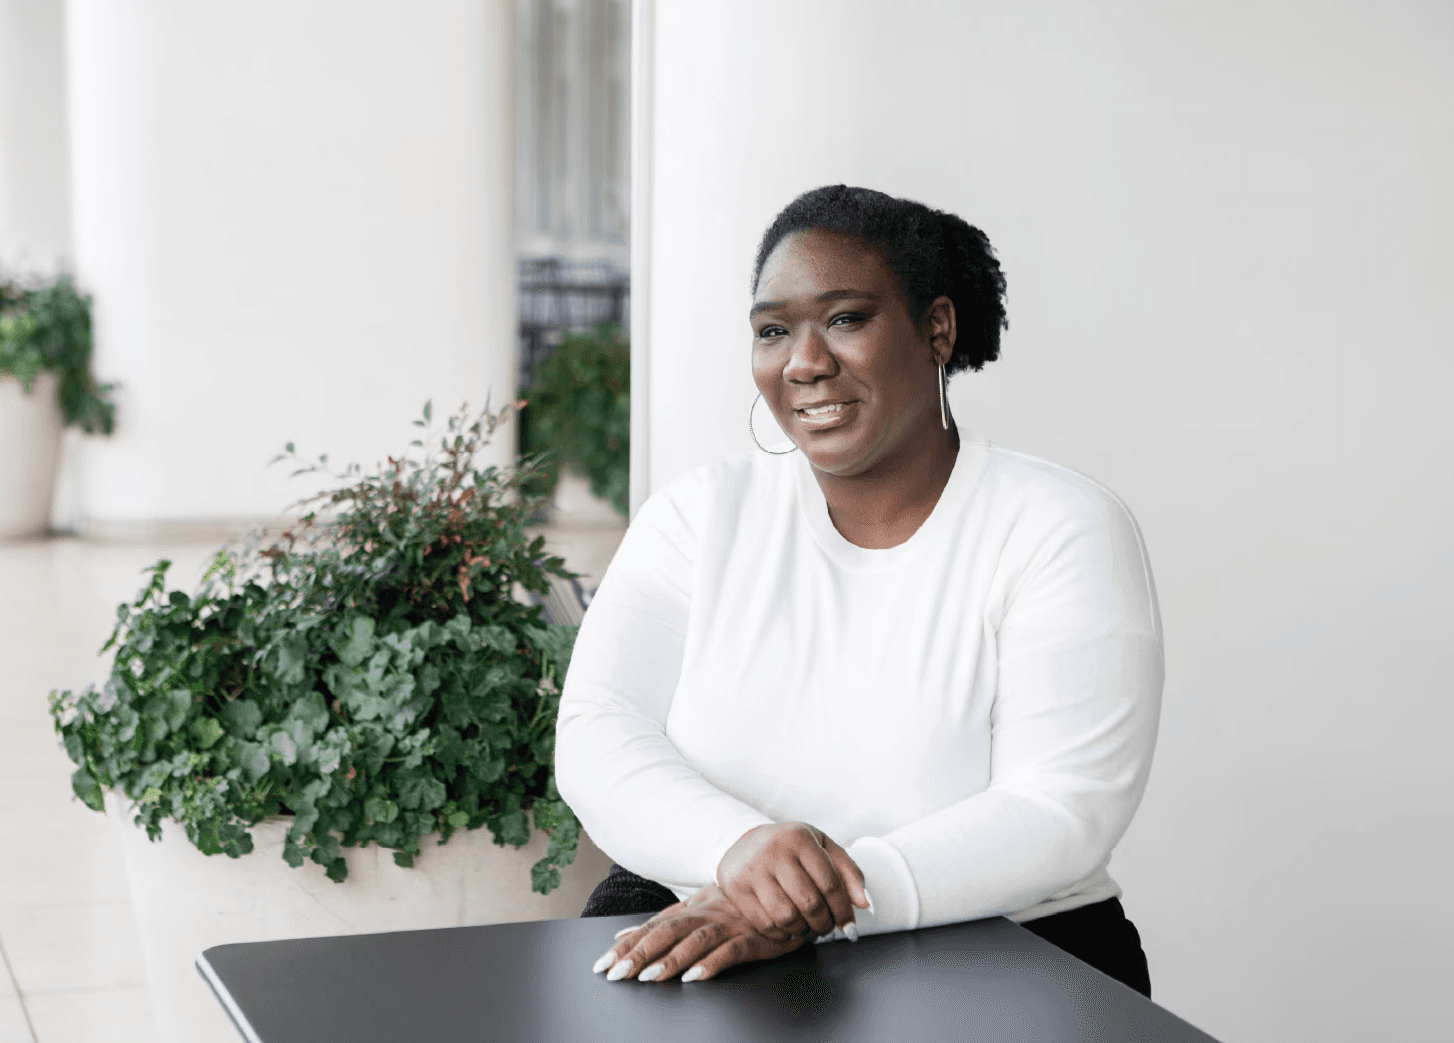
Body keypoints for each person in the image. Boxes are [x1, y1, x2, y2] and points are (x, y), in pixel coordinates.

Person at [554, 184, 1162, 996]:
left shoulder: (1061, 526)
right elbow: (597, 733)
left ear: (936, 328)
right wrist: (738, 851)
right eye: (774, 331)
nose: (803, 361)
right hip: (707, 913)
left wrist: (813, 902)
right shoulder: (697, 517)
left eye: (845, 318)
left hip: (1004, 952)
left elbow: (1059, 809)